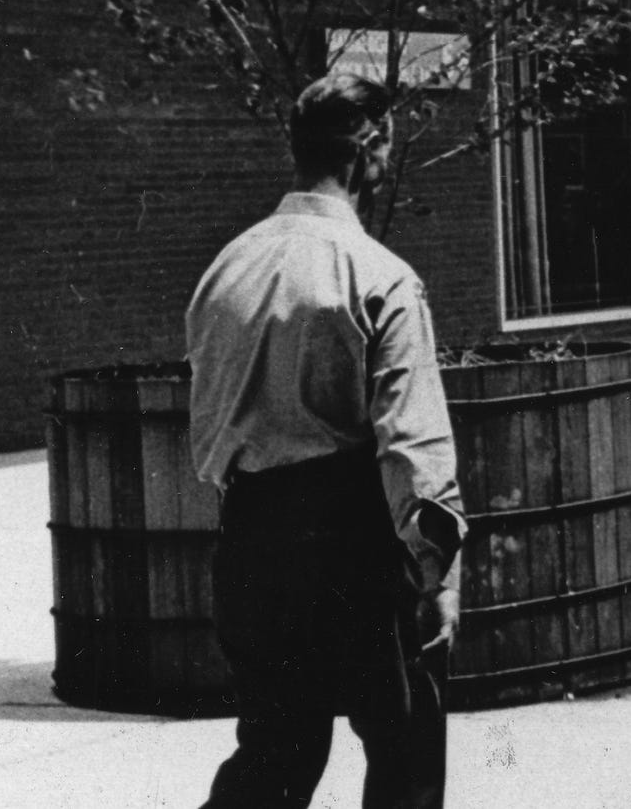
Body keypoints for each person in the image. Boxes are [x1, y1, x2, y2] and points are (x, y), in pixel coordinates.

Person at [187, 72, 466, 809]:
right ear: (368, 147)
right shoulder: (380, 275)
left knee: (276, 746)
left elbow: (207, 420)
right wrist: (436, 569)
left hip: (248, 533)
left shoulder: (225, 269)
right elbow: (412, 440)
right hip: (351, 539)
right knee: (404, 742)